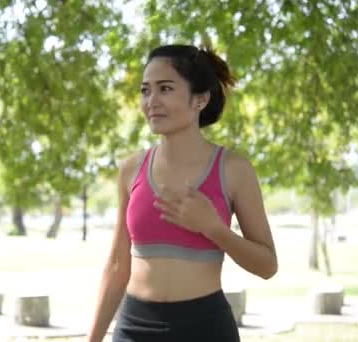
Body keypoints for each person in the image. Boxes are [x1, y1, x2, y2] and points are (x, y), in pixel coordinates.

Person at [87, 44, 278, 342]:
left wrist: (213, 228)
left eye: (165, 89)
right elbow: (116, 265)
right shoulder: (131, 169)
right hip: (134, 328)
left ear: (200, 99)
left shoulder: (234, 169)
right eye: (145, 90)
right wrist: (93, 339)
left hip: (206, 328)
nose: (152, 101)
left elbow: (267, 266)